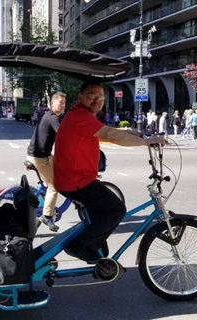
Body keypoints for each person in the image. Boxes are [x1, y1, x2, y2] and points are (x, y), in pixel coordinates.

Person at [53, 82, 166, 263]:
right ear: (80, 97)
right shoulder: (80, 116)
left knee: (102, 211)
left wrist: (128, 132)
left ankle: (95, 244)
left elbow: (106, 131)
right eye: (91, 96)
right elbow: (110, 136)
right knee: (116, 209)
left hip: (72, 178)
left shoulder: (80, 115)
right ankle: (80, 246)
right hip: (75, 181)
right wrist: (148, 141)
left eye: (101, 97)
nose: (97, 100)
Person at [26, 91, 67, 232]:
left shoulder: (47, 115)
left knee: (61, 167)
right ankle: (47, 216)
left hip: (39, 155)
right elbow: (63, 136)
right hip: (39, 157)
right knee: (54, 186)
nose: (62, 105)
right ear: (52, 103)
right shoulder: (53, 118)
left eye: (64, 103)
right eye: (60, 102)